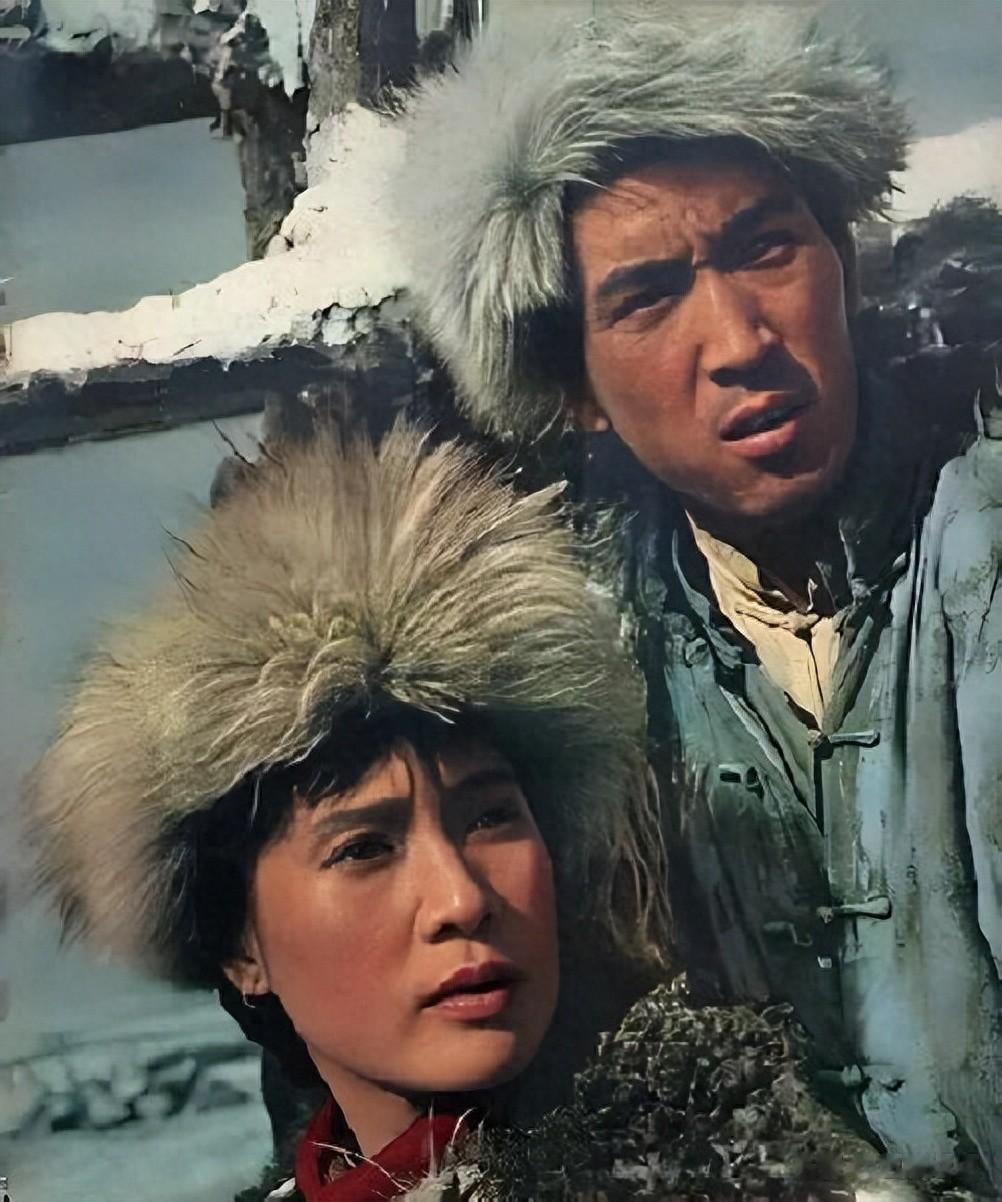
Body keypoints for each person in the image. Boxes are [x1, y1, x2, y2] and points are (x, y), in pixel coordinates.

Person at [393, 6, 1002, 1189]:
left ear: (843, 258)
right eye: (648, 296)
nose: (737, 338)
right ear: (575, 386)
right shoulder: (575, 684)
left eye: (767, 247)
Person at [26, 424, 664, 1201]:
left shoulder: (731, 1163)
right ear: (241, 948)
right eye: (364, 848)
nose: (460, 900)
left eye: (490, 817)